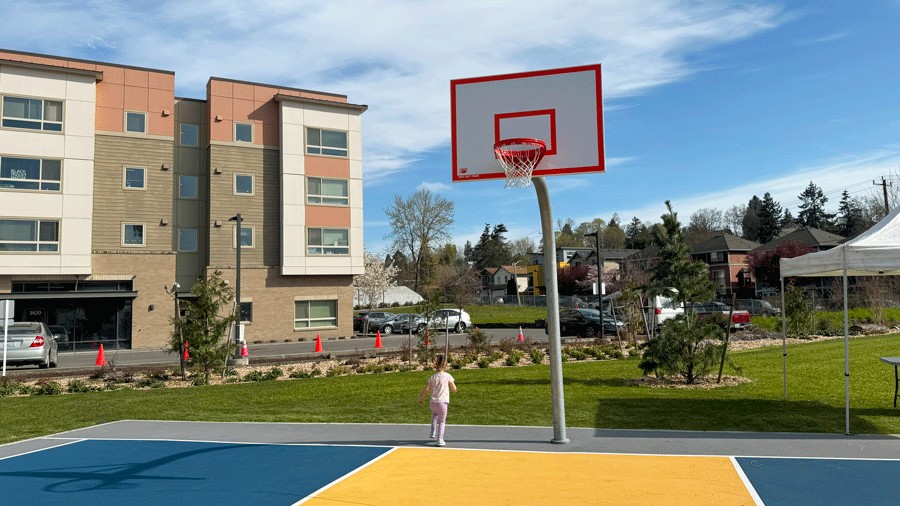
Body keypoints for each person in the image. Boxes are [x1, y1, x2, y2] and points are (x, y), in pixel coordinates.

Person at [418, 354, 457, 446]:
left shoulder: (433, 377)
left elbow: (426, 389)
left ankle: (433, 431)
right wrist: (454, 390)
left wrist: (421, 398)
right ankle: (440, 440)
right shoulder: (448, 376)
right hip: (443, 402)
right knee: (442, 421)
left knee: (435, 414)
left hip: (433, 403)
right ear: (445, 365)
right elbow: (454, 388)